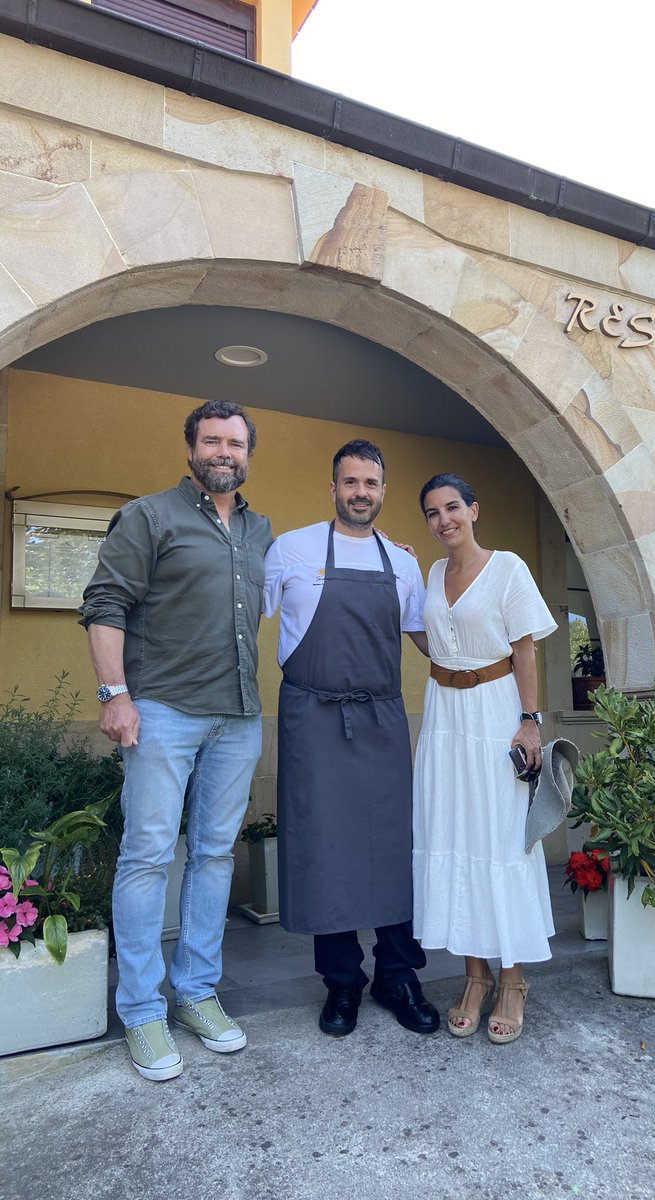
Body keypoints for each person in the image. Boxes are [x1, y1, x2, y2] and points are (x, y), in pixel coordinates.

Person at [79, 399, 272, 1082]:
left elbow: (296, 587)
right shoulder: (149, 516)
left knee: (215, 854)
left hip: (239, 717)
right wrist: (115, 694)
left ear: (249, 453)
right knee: (148, 856)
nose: (225, 452)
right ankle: (139, 1008)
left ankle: (195, 992)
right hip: (161, 711)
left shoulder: (259, 528)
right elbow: (105, 604)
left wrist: (380, 555)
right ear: (191, 447)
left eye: (236, 443)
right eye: (213, 441)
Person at [264, 439, 439, 1037]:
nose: (359, 492)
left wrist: (487, 683)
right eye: (349, 482)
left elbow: (426, 637)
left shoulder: (405, 562)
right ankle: (341, 982)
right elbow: (245, 618)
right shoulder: (290, 549)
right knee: (324, 850)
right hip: (312, 717)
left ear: (383, 491)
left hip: (381, 716)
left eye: (370, 483)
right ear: (332, 487)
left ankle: (398, 974)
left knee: (394, 847)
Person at [412, 473, 557, 1043]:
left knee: (499, 841)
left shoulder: (508, 567)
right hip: (444, 718)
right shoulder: (431, 573)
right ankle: (473, 976)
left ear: (473, 509)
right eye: (432, 513)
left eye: (452, 508)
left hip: (496, 713)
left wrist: (530, 720)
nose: (443, 519)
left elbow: (525, 648)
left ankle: (512, 978)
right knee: (453, 835)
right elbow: (436, 638)